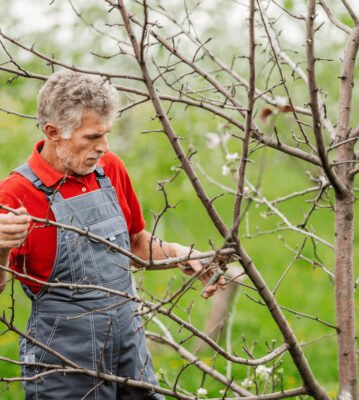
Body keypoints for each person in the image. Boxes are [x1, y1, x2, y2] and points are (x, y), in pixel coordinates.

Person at [0, 70, 224, 399]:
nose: (103, 147)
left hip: (129, 347)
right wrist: (2, 248)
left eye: (106, 134)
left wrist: (183, 255)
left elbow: (135, 245)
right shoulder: (16, 194)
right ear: (53, 132)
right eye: (91, 137)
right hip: (64, 364)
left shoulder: (109, 169)